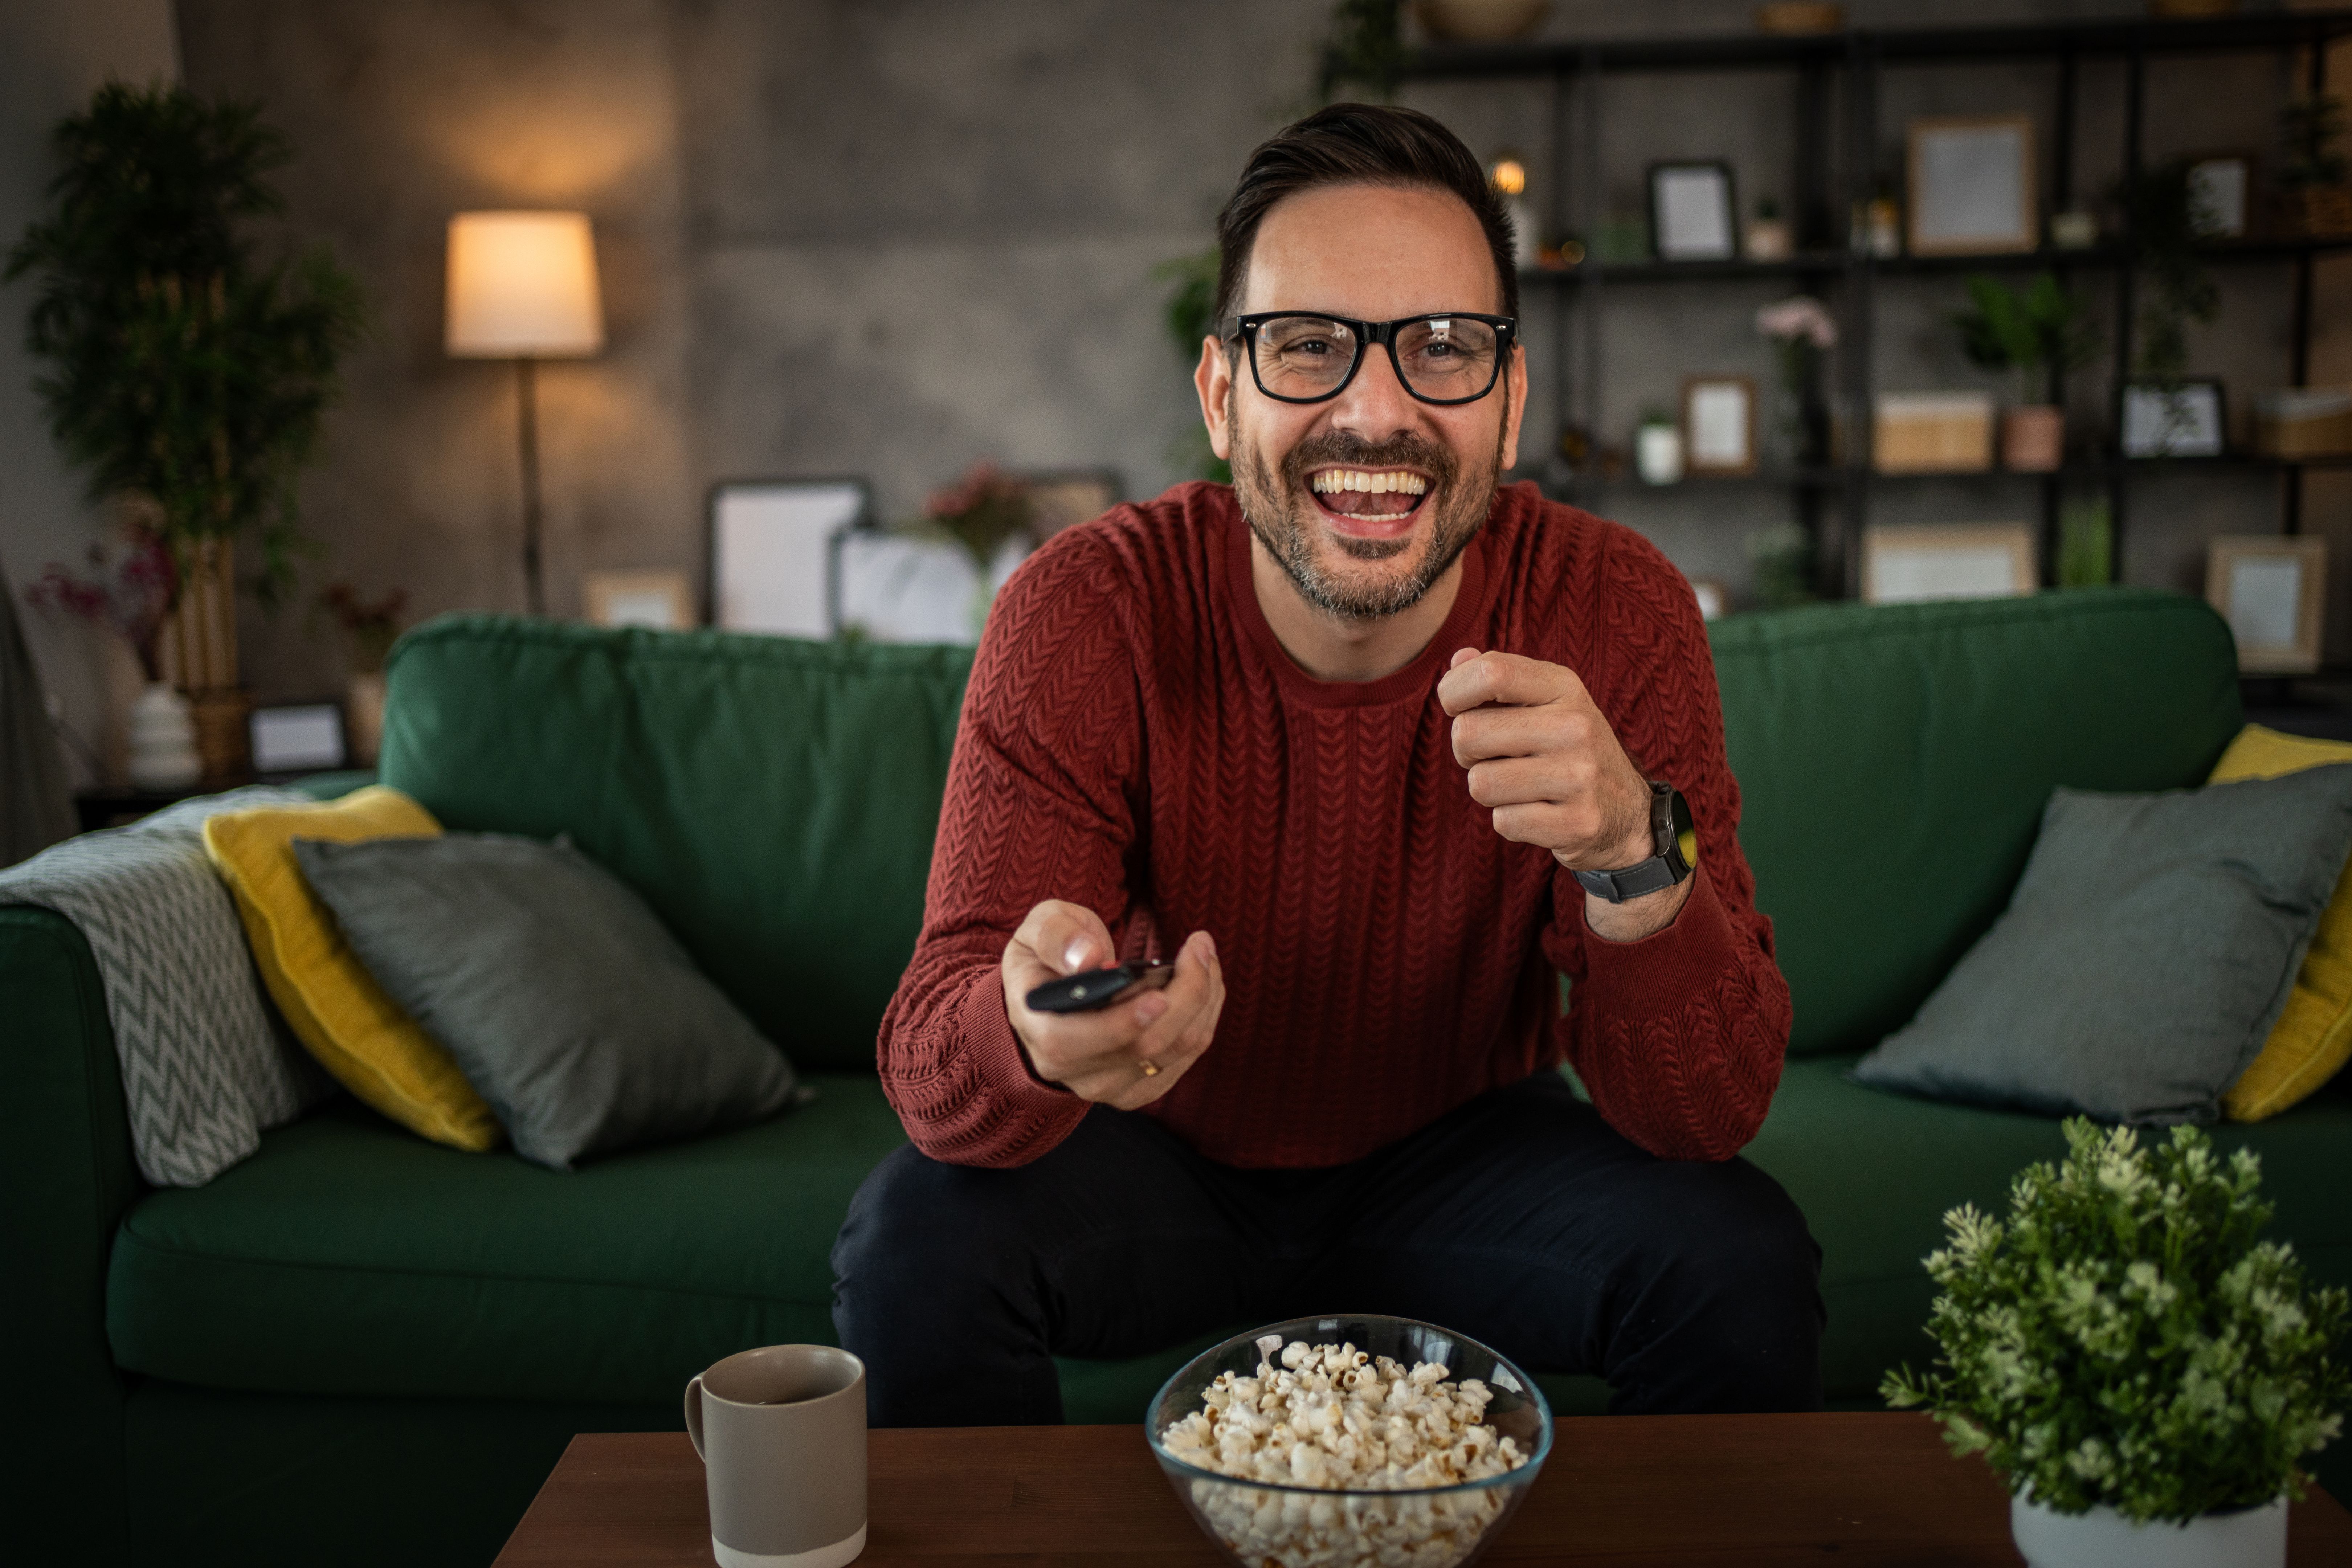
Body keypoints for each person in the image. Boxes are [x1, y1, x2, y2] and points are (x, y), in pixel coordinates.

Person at [832, 102, 1820, 1426]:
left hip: (1471, 1156)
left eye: (1446, 350)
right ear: (1219, 394)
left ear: (1511, 402)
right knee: (916, 1244)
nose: (1376, 411)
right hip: (1158, 1158)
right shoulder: (1084, 611)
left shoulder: (1614, 610)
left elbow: (1709, 1115)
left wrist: (1637, 853)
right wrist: (1034, 1035)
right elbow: (932, 1069)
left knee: (1737, 1263)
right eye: (1307, 348)